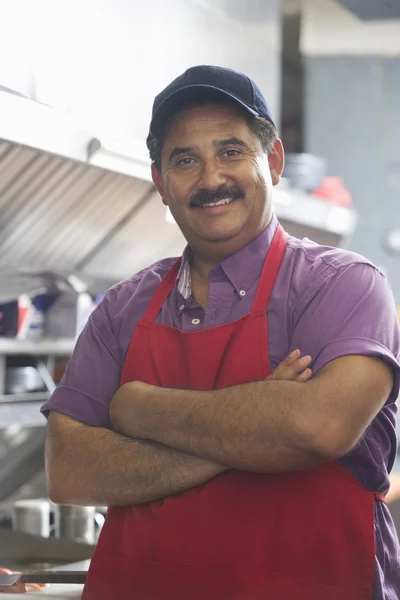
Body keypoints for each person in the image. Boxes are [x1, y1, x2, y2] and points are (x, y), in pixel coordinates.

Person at [42, 65, 400, 600]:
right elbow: (69, 471)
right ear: (161, 185)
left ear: (273, 161)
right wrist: (256, 429)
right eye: (185, 160)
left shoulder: (344, 286)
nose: (211, 179)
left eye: (231, 151)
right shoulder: (121, 309)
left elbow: (319, 429)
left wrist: (140, 409)